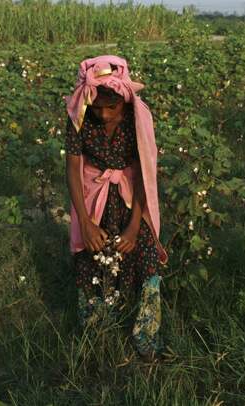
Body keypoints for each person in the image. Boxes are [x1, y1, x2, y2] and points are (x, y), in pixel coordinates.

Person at [63, 55, 169, 361]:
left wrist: (135, 226)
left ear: (124, 101)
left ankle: (146, 335)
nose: (105, 115)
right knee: (89, 254)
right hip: (91, 195)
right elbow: (71, 169)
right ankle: (96, 327)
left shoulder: (138, 118)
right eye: (98, 108)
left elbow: (143, 174)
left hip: (129, 196)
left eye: (112, 108)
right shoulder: (78, 113)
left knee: (145, 252)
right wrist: (84, 222)